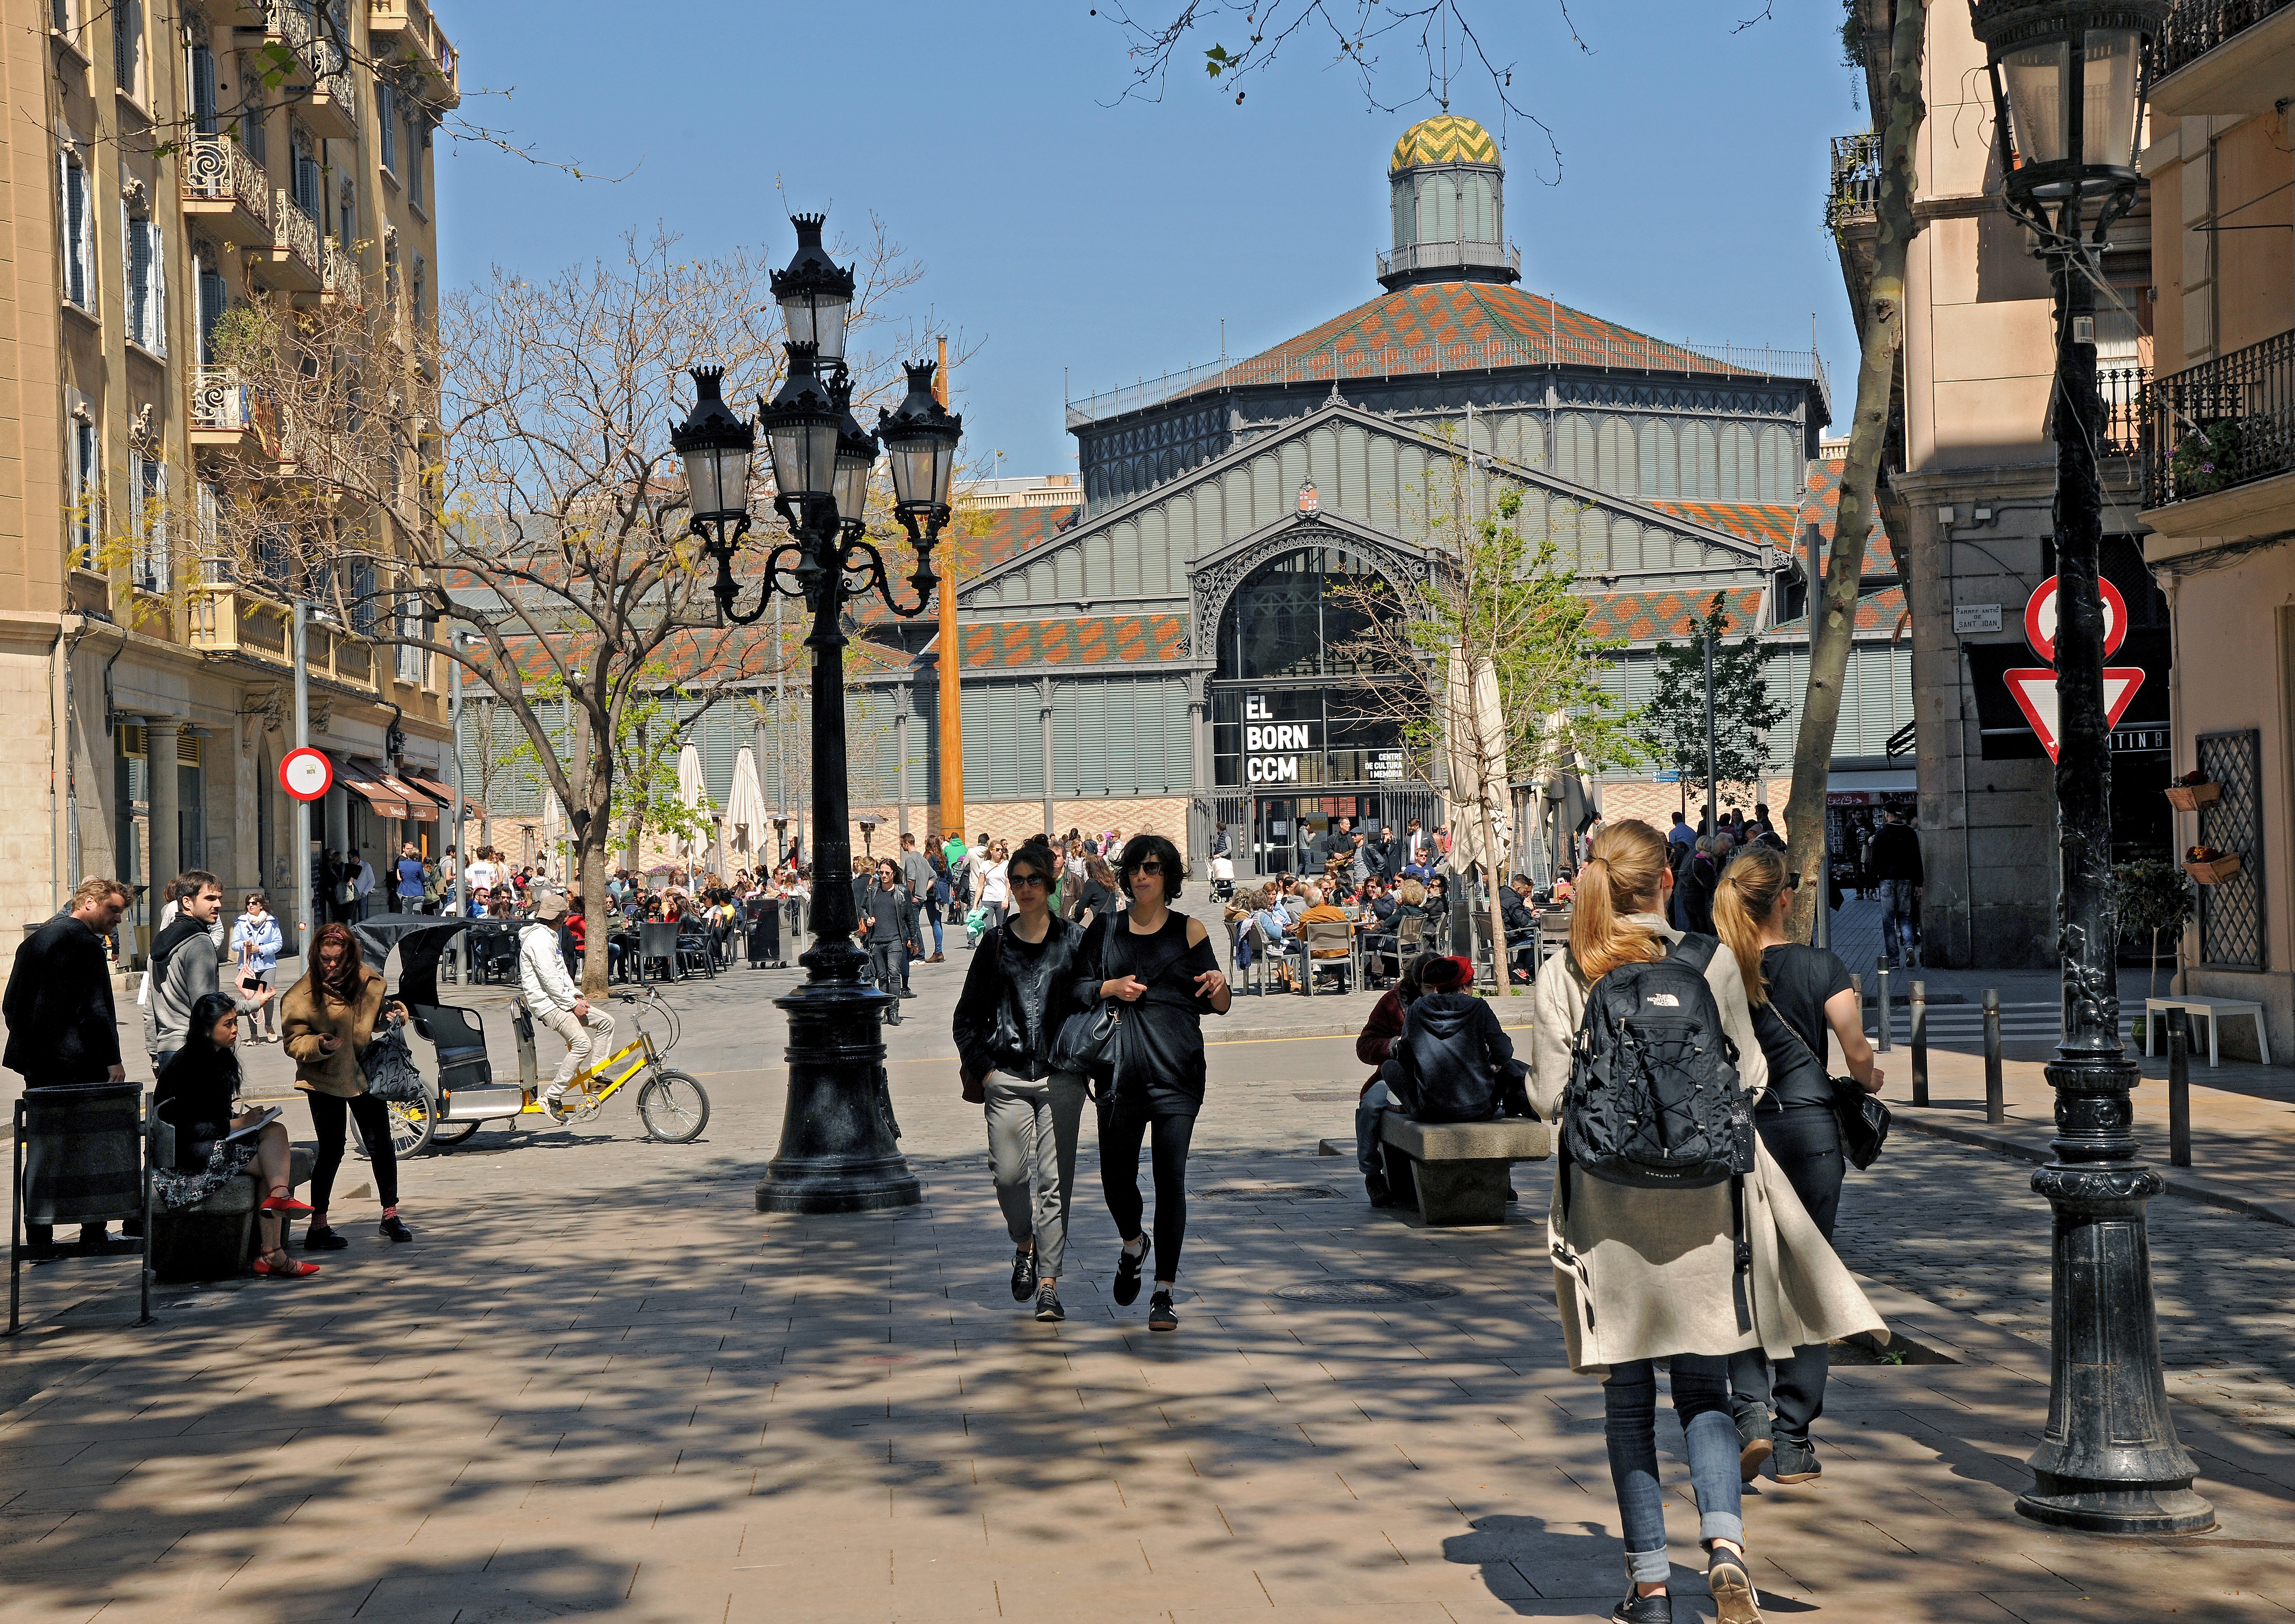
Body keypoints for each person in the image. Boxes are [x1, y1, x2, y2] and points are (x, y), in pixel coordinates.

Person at [1529, 819, 1881, 1623]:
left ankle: (1650, 1586)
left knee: (1629, 1401)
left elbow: (1551, 1096)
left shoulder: (1565, 970)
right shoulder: (1710, 962)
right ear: (1666, 881)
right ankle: (1726, 1553)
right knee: (1705, 1389)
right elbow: (1749, 1079)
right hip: (1701, 1206)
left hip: (1606, 1208)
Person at [1714, 845, 1883, 1485]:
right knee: (1809, 1274)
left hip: (1741, 1131)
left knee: (1743, 1269)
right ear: (1784, 897)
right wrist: (1869, 1079)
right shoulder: (1821, 965)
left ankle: (1749, 1411)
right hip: (1810, 1129)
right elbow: (1856, 1049)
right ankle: (1790, 1438)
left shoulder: (1719, 968)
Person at [1073, 833, 1231, 1334]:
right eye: (1136, 868)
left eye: (1154, 868)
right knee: (1116, 1179)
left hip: (1178, 1074)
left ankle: (1164, 1292)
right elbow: (1075, 988)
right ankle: (1132, 1243)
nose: (1143, 875)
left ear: (1170, 877)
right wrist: (1110, 987)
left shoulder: (1190, 931)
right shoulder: (1108, 929)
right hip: (1119, 1074)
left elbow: (1219, 1004)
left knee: (1171, 1180)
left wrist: (1221, 988)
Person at [952, 840, 1088, 1323]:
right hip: (1006, 1077)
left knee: (1055, 1183)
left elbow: (1091, 1004)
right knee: (1009, 1175)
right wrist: (986, 1069)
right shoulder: (995, 943)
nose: (1026, 888)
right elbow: (965, 1018)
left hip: (1062, 1078)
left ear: (1050, 886)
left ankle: (1049, 1283)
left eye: (1035, 880)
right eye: (1017, 880)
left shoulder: (1074, 941)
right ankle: (1024, 1243)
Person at [3, 877, 132, 1253]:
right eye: (113, 910)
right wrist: (112, 1060)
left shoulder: (36, 940)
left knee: (44, 1147)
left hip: (40, 1064)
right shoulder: (84, 945)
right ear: (89, 903)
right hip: (79, 1063)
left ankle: (39, 1235)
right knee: (92, 1142)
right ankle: (93, 1229)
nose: (118, 920)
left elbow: (11, 1005)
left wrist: (33, 1043)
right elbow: (94, 1010)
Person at [153, 992, 316, 1277]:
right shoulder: (188, 1065)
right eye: (227, 1024)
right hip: (186, 1159)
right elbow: (188, 1128)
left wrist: (247, 1121)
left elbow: (215, 1116)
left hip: (211, 1145)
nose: (235, 1030)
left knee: (275, 1130)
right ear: (206, 1029)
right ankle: (273, 1252)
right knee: (272, 1162)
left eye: (235, 1022)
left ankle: (279, 1201)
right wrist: (240, 1124)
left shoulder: (218, 1058)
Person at [282, 921, 414, 1249]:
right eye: (325, 959)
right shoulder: (301, 996)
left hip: (363, 1073)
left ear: (350, 957)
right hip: (323, 1078)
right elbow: (293, 1042)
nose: (330, 966)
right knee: (332, 1149)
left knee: (381, 1144)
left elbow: (373, 1019)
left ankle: (390, 1215)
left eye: (337, 959)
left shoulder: (368, 982)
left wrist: (392, 1014)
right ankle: (319, 1225)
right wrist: (317, 1045)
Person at [151, 871, 275, 1070]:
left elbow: (151, 1009)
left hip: (167, 1049)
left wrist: (154, 1054)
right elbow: (209, 1006)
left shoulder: (160, 942)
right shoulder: (199, 943)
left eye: (219, 899)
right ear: (187, 902)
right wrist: (253, 1004)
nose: (218, 905)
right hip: (194, 1050)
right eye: (210, 898)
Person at [518, 892, 619, 1121]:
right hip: (546, 1004)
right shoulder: (540, 940)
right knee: (582, 1045)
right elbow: (549, 980)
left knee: (606, 1022)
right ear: (563, 918)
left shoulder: (550, 935)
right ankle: (552, 1096)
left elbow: (562, 973)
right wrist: (572, 1005)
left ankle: (596, 1077)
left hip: (561, 999)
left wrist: (577, 995)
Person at [1353, 953, 1429, 1204]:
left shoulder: (1456, 1000)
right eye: (1427, 986)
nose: (1434, 992)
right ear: (1415, 983)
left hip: (1442, 1078)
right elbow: (1365, 1046)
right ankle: (1373, 1174)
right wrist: (1391, 1046)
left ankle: (1498, 1176)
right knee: (1371, 1106)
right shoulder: (1392, 1003)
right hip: (1394, 1076)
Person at [858, 859, 914, 1025]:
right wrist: (868, 919)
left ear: (894, 874)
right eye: (881, 873)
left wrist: (914, 939)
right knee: (882, 976)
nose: (883, 876)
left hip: (895, 939)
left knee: (894, 972)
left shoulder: (902, 891)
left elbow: (910, 917)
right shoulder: (872, 889)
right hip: (876, 940)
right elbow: (862, 908)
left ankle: (895, 1011)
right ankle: (885, 1012)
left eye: (887, 873)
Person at [1869, 805, 1924, 967]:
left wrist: (1871, 885)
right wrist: (1919, 884)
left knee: (1889, 921)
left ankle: (1893, 960)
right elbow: (1917, 860)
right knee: (1905, 917)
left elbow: (1875, 861)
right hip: (1906, 880)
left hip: (1886, 880)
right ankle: (1909, 946)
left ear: (1887, 815)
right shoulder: (1910, 833)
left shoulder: (1881, 834)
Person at [229, 892, 284, 1043]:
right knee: (251, 997)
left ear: (261, 905)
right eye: (248, 904)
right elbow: (234, 945)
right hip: (248, 968)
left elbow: (278, 943)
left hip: (267, 965)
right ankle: (254, 1034)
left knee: (268, 995)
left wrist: (261, 949)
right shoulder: (241, 922)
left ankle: (268, 1025)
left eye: (254, 903)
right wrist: (244, 946)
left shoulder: (271, 922)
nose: (251, 906)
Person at [899, 833, 937, 973]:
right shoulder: (922, 858)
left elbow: (911, 877)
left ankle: (919, 955)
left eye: (902, 844)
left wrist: (909, 895)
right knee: (914, 924)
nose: (902, 846)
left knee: (913, 925)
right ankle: (916, 954)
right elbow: (934, 876)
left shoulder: (910, 859)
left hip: (914, 899)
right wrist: (923, 891)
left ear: (907, 843)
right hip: (920, 898)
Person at [978, 841, 1012, 934]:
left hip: (1002, 900)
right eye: (997, 850)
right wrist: (974, 905)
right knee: (987, 926)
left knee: (1001, 928)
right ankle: (990, 946)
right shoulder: (985, 865)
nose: (1000, 852)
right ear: (991, 851)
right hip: (988, 899)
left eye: (1002, 850)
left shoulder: (1006, 864)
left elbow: (1009, 882)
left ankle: (1000, 948)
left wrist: (1006, 898)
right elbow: (980, 885)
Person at [394, 842, 426, 913]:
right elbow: (423, 879)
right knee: (417, 914)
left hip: (406, 894)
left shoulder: (401, 864)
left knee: (406, 916)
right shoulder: (419, 865)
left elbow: (399, 878)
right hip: (419, 893)